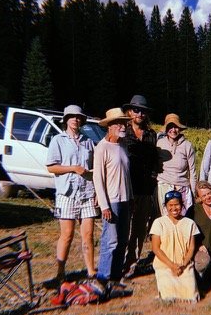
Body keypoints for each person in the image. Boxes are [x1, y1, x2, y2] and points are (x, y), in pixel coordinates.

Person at [46, 105, 98, 281]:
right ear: (66, 119)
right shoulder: (58, 140)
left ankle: (91, 271)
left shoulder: (88, 141)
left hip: (87, 192)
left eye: (79, 117)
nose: (75, 119)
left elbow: (95, 169)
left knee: (88, 235)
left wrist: (97, 191)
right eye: (72, 117)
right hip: (67, 193)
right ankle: (60, 272)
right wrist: (73, 169)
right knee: (67, 234)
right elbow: (51, 167)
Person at [93, 108, 133, 290]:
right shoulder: (101, 148)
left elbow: (126, 174)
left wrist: (131, 198)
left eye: (123, 122)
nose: (122, 126)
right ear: (109, 126)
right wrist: (104, 205)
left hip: (126, 199)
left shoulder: (123, 144)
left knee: (123, 240)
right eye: (118, 123)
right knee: (110, 240)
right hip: (112, 201)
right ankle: (102, 278)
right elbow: (98, 179)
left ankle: (115, 278)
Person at [122, 95, 159, 277]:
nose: (139, 114)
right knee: (123, 228)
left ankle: (132, 262)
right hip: (125, 189)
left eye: (143, 111)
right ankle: (118, 262)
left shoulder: (151, 135)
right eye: (136, 110)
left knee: (139, 229)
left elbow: (154, 162)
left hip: (145, 189)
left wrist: (153, 177)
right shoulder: (123, 133)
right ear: (129, 111)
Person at [150, 190, 200, 302]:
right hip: (165, 265)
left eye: (177, 205)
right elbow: (155, 248)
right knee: (168, 296)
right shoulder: (158, 222)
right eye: (170, 205)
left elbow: (191, 247)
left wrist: (183, 264)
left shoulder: (189, 223)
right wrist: (171, 265)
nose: (174, 208)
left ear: (182, 205)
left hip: (184, 265)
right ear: (165, 206)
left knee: (191, 295)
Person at [156, 113, 196, 216]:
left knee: (183, 218)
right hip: (164, 186)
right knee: (166, 219)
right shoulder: (160, 143)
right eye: (170, 127)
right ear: (166, 128)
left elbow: (192, 171)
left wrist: (194, 193)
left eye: (176, 127)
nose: (173, 130)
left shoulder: (187, 146)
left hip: (182, 186)